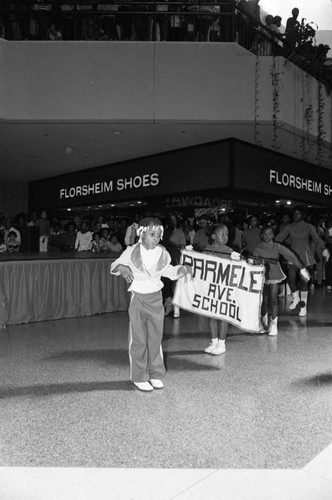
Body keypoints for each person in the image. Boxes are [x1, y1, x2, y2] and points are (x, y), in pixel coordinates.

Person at [110, 217, 189, 392]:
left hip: (156, 299)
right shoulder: (131, 251)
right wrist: (122, 269)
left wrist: (179, 270)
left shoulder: (163, 252)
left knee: (155, 338)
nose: (156, 238)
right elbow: (115, 265)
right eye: (152, 234)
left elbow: (168, 270)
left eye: (159, 235)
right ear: (141, 233)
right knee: (138, 340)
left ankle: (155, 374)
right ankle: (138, 376)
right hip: (138, 298)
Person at [253, 226, 310, 336]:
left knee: (273, 300)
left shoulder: (276, 246)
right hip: (261, 276)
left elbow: (291, 255)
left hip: (274, 275)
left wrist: (301, 267)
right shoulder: (258, 248)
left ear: (273, 235)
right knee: (263, 301)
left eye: (269, 234)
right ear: (261, 235)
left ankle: (274, 325)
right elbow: (253, 261)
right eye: (265, 234)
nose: (267, 236)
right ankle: (263, 323)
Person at [276, 207, 325, 317]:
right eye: (295, 214)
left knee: (303, 282)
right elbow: (280, 238)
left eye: (298, 214)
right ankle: (296, 298)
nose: (296, 215)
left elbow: (317, 239)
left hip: (305, 257)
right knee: (291, 279)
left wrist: (323, 248)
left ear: (303, 215)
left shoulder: (308, 226)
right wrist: (272, 241)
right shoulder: (290, 226)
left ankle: (303, 307)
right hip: (293, 257)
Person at [203, 224, 241, 355]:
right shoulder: (207, 249)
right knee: (211, 316)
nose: (225, 237)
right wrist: (189, 253)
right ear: (213, 236)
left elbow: (240, 267)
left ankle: (222, 343)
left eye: (227, 235)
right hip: (211, 288)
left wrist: (238, 259)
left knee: (222, 316)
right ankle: (214, 342)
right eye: (222, 234)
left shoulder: (229, 250)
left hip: (224, 288)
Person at [162, 214, 186, 318]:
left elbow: (183, 246)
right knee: (165, 282)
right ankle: (168, 305)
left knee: (176, 284)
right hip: (165, 259)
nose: (172, 222)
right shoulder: (164, 232)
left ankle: (177, 308)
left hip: (176, 259)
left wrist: (174, 246)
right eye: (170, 220)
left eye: (174, 220)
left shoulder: (180, 232)